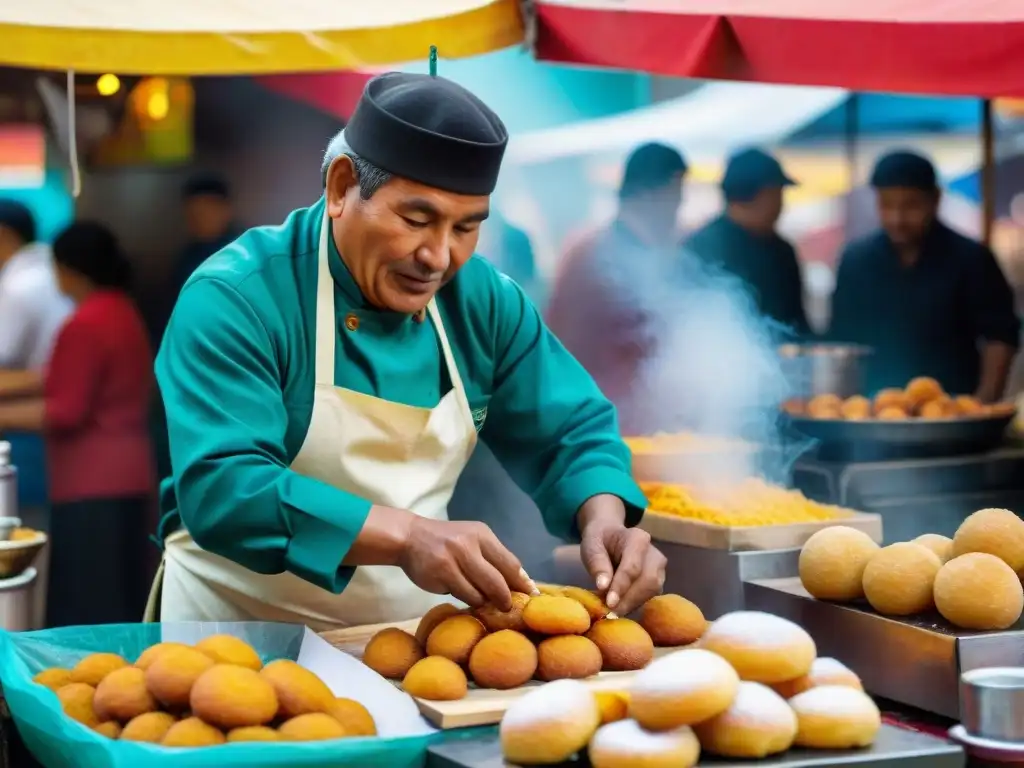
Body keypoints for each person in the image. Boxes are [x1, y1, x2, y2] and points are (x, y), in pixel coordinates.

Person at [151, 73, 663, 629]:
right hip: (231, 646)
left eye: (467, 228)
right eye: (416, 220)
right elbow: (226, 488)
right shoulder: (239, 297)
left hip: (405, 654)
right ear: (342, 187)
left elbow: (572, 429)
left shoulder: (483, 302)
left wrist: (605, 517)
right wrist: (409, 536)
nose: (439, 257)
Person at [0, 221, 155, 626]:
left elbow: (65, 410)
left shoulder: (85, 323)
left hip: (91, 484)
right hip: (130, 475)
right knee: (122, 601)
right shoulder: (122, 311)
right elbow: (58, 382)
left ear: (68, 269)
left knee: (91, 608)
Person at [830, 150, 1020, 399]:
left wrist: (984, 402)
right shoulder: (856, 260)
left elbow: (1000, 337)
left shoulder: (972, 259)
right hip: (873, 410)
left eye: (910, 205)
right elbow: (841, 343)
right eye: (887, 205)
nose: (897, 219)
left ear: (936, 199)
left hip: (954, 408)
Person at [545, 143, 688, 435]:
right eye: (678, 195)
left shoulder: (598, 247)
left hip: (609, 421)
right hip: (602, 424)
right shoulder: (597, 254)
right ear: (664, 191)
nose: (679, 208)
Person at [684, 148, 810, 339]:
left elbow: (798, 324)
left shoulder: (782, 251)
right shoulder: (701, 250)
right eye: (775, 194)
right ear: (746, 195)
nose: (781, 205)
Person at [0, 201, 72, 512]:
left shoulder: (18, 286)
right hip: (50, 421)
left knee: (21, 520)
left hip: (26, 426)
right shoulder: (49, 271)